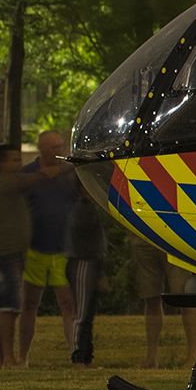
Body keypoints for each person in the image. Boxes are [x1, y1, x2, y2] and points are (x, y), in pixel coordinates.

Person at [18, 130, 79, 365]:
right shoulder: (27, 175)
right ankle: (23, 357)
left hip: (64, 249)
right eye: (53, 148)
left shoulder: (69, 173)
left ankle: (76, 355)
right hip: (35, 250)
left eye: (60, 147)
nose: (58, 151)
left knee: (68, 304)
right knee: (30, 304)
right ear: (42, 149)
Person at [63, 134, 110, 368]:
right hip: (82, 262)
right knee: (82, 312)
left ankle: (85, 356)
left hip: (88, 262)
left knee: (87, 311)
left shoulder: (86, 208)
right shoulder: (81, 210)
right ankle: (78, 356)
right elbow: (89, 242)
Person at [0, 144, 33, 367]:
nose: (18, 164)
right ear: (1, 164)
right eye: (13, 160)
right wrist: (49, 173)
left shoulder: (0, 185)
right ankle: (7, 357)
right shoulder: (6, 182)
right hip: (5, 255)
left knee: (0, 308)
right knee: (9, 308)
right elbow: (28, 181)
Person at [131, 239, 196, 368]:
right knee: (150, 297)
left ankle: (193, 357)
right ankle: (151, 359)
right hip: (143, 236)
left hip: (172, 237)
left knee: (185, 297)